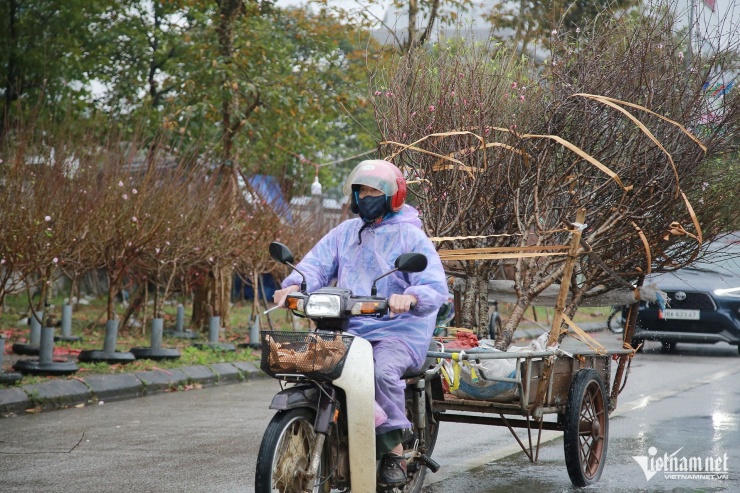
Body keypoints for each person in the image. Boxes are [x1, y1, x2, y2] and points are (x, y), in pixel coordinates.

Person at [273, 159, 448, 487]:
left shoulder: (410, 235)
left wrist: (410, 297)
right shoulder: (345, 233)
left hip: (399, 330)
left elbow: (434, 284)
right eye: (361, 190)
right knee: (318, 364)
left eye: (373, 190)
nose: (366, 196)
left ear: (392, 196)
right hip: (351, 326)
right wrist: (294, 285)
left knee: (380, 371)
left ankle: (394, 450)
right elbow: (317, 263)